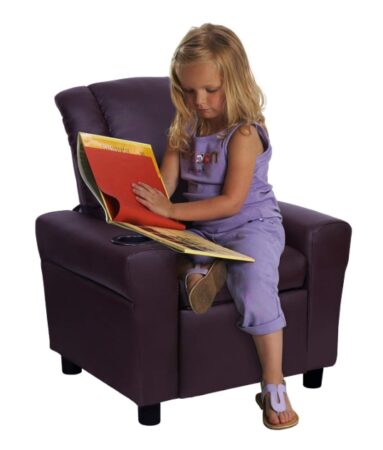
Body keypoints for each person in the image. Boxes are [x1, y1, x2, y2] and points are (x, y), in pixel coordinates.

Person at [131, 23, 299, 430]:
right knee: (171, 250)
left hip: (249, 224)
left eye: (210, 90)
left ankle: (273, 382)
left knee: (255, 279)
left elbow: (231, 201)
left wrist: (170, 211)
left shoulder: (243, 134)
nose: (199, 101)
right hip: (201, 227)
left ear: (235, 81)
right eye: (188, 91)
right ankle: (204, 267)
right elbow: (166, 187)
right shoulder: (183, 127)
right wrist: (136, 199)